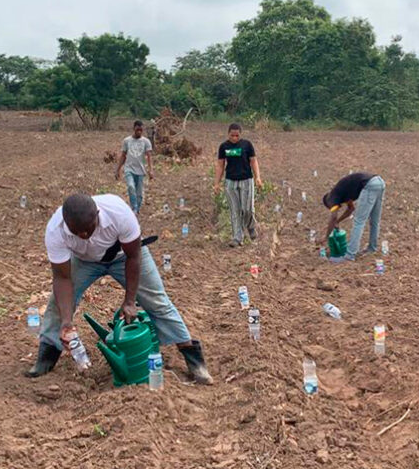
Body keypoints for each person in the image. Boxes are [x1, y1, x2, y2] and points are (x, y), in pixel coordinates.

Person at [26, 193, 213, 384]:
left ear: (97, 215)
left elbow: (134, 257)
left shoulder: (119, 213)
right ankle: (46, 356)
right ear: (66, 223)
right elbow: (62, 278)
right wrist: (66, 321)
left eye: (88, 229)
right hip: (84, 261)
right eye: (77, 232)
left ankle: (193, 357)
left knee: (157, 301)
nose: (83, 235)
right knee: (56, 305)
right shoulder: (56, 230)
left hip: (124, 256)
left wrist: (130, 301)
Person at [213, 123, 262, 247]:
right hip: (230, 181)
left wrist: (258, 178)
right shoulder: (223, 147)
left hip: (246, 179)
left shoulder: (247, 145)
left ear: (240, 135)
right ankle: (237, 237)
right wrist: (217, 183)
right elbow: (220, 165)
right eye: (232, 135)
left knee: (247, 209)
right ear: (228, 134)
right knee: (235, 210)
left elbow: (253, 161)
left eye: (237, 135)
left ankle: (251, 227)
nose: (234, 138)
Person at [321, 172, 385, 260]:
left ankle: (350, 255)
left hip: (369, 185)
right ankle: (372, 248)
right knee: (374, 221)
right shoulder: (342, 194)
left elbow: (333, 217)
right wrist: (338, 221)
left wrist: (326, 237)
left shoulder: (331, 198)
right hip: (379, 182)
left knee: (358, 221)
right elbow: (350, 209)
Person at [115, 120, 153, 214]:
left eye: (141, 130)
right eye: (137, 129)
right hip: (129, 169)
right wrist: (118, 169)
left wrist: (151, 170)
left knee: (139, 194)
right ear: (134, 129)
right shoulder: (127, 141)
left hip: (140, 170)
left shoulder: (146, 142)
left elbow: (149, 156)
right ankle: (134, 208)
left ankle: (137, 209)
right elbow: (123, 155)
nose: (139, 131)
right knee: (131, 187)